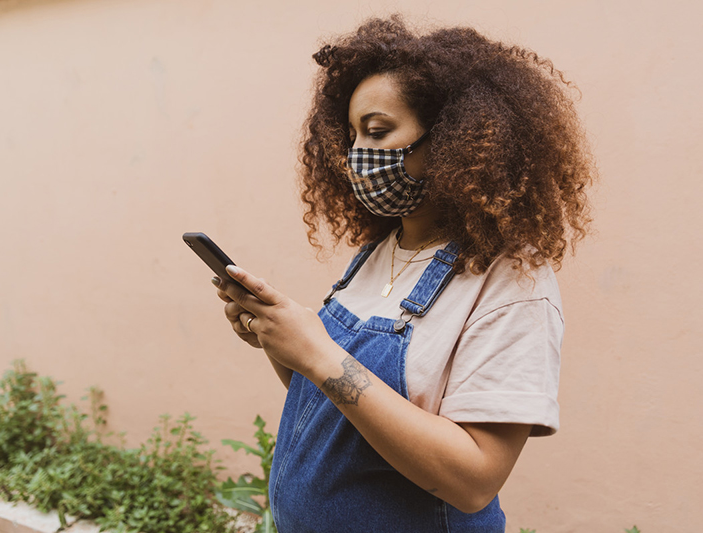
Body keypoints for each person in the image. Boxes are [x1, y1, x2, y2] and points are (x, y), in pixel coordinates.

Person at [212, 15, 594, 533]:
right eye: (351, 137)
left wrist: (319, 353)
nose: (356, 156)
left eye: (377, 131)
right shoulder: (377, 253)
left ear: (456, 136)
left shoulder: (511, 282)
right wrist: (284, 345)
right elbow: (345, 412)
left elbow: (474, 480)